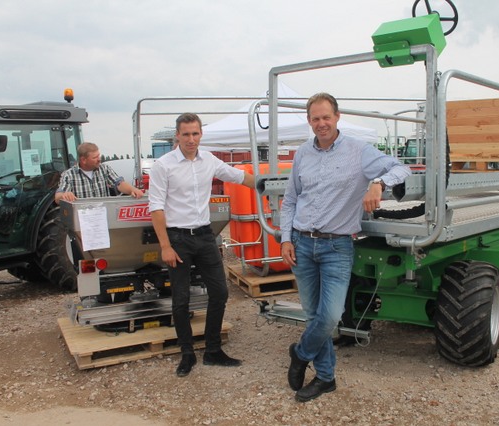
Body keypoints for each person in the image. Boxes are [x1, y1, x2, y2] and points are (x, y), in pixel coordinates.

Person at [280, 93, 411, 402]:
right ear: (309, 121)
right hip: (301, 243)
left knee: (330, 316)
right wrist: (285, 238)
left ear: (337, 117)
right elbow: (291, 199)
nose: (321, 123)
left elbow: (401, 168)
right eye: (315, 118)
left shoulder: (358, 150)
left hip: (337, 247)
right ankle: (326, 378)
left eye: (326, 117)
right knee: (313, 315)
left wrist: (377, 183)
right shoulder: (302, 153)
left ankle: (300, 353)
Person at [148, 113, 255, 377]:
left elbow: (239, 177)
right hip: (178, 239)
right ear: (177, 135)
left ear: (201, 134)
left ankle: (213, 350)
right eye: (186, 134)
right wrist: (165, 246)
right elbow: (156, 208)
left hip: (205, 236)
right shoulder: (163, 165)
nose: (191, 139)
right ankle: (187, 353)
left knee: (220, 292)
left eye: (195, 134)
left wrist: (273, 184)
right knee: (181, 299)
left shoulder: (209, 160)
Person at [54, 142, 144, 203]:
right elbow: (58, 197)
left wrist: (133, 190)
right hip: (83, 219)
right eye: (95, 157)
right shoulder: (69, 175)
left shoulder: (104, 169)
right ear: (83, 160)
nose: (99, 159)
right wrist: (65, 195)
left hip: (103, 216)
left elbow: (119, 183)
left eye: (99, 155)